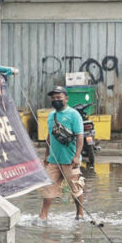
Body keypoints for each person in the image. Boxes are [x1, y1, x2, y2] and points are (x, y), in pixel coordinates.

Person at [39, 86, 84, 221]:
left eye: (59, 98)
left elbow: (80, 136)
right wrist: (46, 154)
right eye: (53, 98)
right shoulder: (51, 115)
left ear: (66, 98)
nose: (56, 100)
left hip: (70, 160)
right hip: (54, 159)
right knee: (49, 187)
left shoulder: (74, 114)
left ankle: (80, 213)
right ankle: (43, 215)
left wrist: (77, 156)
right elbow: (50, 135)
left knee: (75, 187)